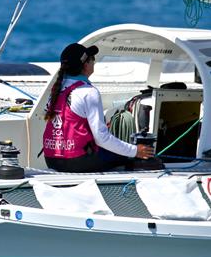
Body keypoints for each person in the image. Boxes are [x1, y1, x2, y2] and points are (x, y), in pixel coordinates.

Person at [42, 43, 155, 172]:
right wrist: (136, 151)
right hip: (76, 161)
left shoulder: (56, 90)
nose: (94, 63)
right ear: (85, 65)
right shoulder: (88, 92)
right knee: (132, 157)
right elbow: (102, 138)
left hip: (51, 159)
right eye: (92, 59)